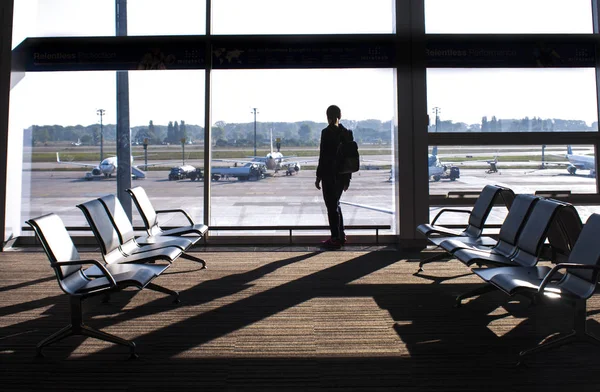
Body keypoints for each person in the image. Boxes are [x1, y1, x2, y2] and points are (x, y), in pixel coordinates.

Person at [315, 105, 353, 249]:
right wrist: (347, 179)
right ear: (340, 115)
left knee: (331, 207)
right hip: (342, 175)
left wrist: (318, 176)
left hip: (328, 175)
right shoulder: (347, 132)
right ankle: (340, 235)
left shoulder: (326, 133)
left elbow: (323, 156)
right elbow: (349, 158)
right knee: (336, 204)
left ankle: (335, 238)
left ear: (328, 116)